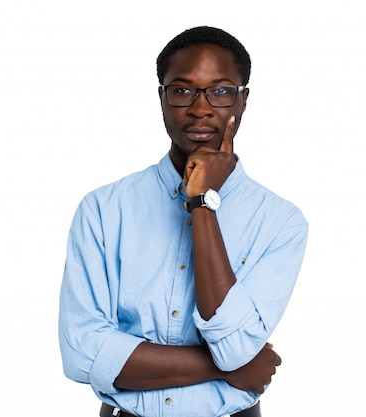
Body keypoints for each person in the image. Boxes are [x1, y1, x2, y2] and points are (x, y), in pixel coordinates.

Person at [58, 26, 308, 417]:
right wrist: (227, 368)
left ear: (243, 101)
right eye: (183, 90)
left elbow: (235, 346)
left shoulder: (281, 222)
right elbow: (82, 353)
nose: (201, 108)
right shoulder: (104, 209)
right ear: (161, 97)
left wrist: (202, 204)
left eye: (221, 90)